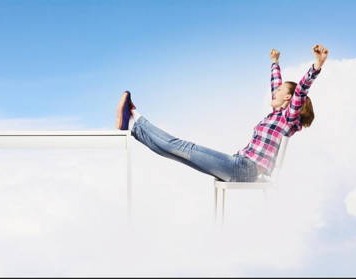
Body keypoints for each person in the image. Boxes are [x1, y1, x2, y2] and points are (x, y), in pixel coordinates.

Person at [116, 44, 329, 182]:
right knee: (175, 153)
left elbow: (300, 90)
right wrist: (275, 62)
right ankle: (134, 128)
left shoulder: (288, 117)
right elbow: (277, 85)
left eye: (280, 92)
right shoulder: (277, 113)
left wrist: (317, 65)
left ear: (288, 99)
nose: (274, 93)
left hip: (245, 169)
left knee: (182, 147)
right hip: (241, 165)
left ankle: (135, 115)